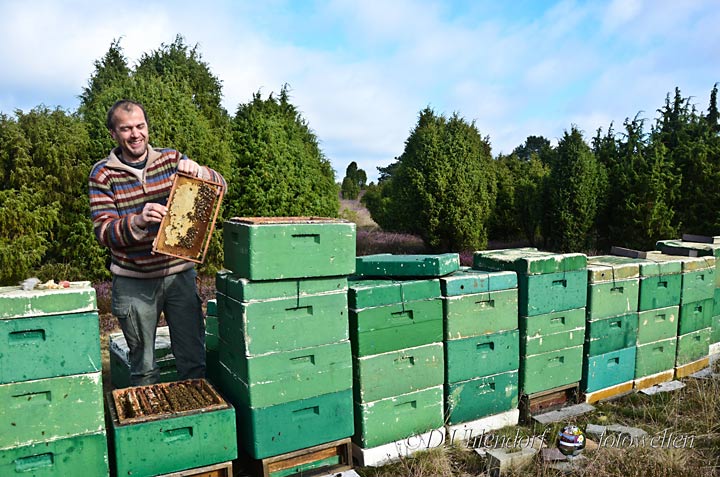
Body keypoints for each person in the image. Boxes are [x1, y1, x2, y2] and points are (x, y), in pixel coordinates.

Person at [89, 99, 225, 386]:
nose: (135, 134)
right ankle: (150, 429)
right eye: (126, 129)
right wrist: (138, 220)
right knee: (144, 367)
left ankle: (193, 423)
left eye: (140, 126)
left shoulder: (172, 159)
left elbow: (219, 187)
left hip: (179, 276)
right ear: (113, 133)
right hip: (133, 281)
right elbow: (103, 231)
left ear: (147, 127)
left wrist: (201, 171)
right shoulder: (102, 174)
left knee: (193, 360)